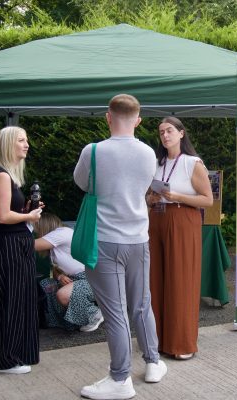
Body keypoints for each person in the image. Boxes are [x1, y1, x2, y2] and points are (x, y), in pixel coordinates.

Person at [73, 94, 166, 400]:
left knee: (115, 313)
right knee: (141, 303)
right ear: (138, 120)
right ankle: (153, 362)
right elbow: (144, 187)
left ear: (108, 117)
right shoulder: (148, 153)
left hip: (104, 241)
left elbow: (84, 183)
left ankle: (120, 379)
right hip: (138, 239)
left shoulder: (94, 151)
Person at [146, 117, 213, 361]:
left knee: (181, 280)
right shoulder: (157, 163)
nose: (165, 135)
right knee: (156, 280)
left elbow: (208, 200)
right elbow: (149, 195)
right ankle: (159, 341)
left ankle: (182, 343)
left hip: (182, 220)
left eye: (170, 130)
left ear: (181, 134)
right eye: (162, 132)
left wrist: (176, 196)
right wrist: (151, 199)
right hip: (158, 220)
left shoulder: (192, 163)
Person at [0, 126, 43, 374]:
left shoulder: (9, 176)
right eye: (21, 140)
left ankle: (18, 355)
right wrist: (28, 215)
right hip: (9, 246)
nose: (26, 144)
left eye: (26, 140)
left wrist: (26, 212)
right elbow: (2, 216)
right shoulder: (1, 176)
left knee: (21, 300)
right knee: (13, 301)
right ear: (8, 144)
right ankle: (6, 360)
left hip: (17, 244)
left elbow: (10, 214)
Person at [33, 212, 103, 332]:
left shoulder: (61, 232)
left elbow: (31, 245)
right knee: (46, 284)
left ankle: (95, 314)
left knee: (63, 295)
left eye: (36, 229)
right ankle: (66, 323)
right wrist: (60, 276)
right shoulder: (54, 245)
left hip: (91, 278)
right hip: (75, 279)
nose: (36, 233)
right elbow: (55, 269)